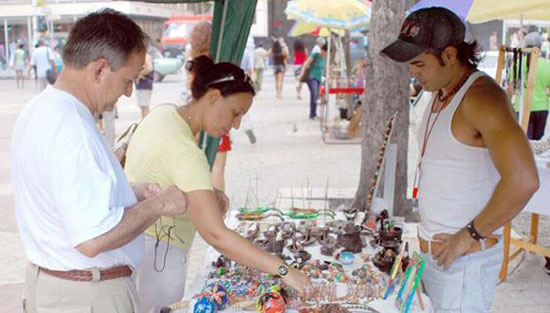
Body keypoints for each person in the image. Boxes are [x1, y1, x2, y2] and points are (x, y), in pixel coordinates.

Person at [11, 9, 189, 313]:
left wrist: (128, 191)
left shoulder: (42, 109)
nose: (129, 91)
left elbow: (65, 196)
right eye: (128, 79)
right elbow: (92, 238)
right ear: (100, 70)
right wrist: (160, 205)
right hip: (87, 296)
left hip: (59, 288)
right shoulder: (72, 128)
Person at [125, 55, 313, 312]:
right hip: (160, 257)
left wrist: (205, 191)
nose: (235, 125)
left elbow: (162, 173)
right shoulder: (185, 152)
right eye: (236, 113)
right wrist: (284, 270)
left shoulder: (164, 113)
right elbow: (215, 234)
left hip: (140, 247)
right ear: (213, 96)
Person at [381, 7, 539, 313]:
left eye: (418, 64)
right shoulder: (440, 91)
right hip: (438, 257)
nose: (413, 73)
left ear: (450, 56)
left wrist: (469, 236)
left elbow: (524, 180)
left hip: (463, 261)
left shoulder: (482, 98)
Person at [507, 32, 550, 140]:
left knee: (525, 141)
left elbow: (511, 89)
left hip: (522, 107)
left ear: (525, 47)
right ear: (540, 47)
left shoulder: (518, 63)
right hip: (542, 108)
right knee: (536, 141)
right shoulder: (547, 65)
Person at [299, 44, 327, 120]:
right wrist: (301, 74)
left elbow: (324, 69)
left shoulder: (325, 59)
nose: (326, 55)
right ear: (323, 51)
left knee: (316, 95)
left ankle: (313, 113)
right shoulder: (315, 55)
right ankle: (312, 114)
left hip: (319, 78)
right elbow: (306, 64)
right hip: (311, 77)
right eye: (326, 53)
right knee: (314, 93)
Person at [135, 42, 155, 118]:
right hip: (143, 85)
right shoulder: (145, 55)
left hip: (144, 84)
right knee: (143, 106)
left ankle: (146, 123)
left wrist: (140, 74)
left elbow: (149, 68)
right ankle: (145, 122)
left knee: (144, 106)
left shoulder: (145, 56)